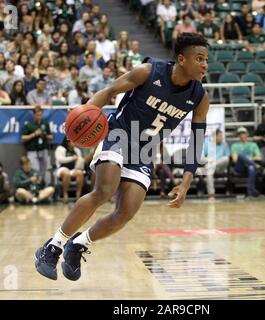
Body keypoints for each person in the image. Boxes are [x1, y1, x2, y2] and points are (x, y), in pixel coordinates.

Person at [35, 33, 209, 281]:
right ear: (182, 59)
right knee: (104, 190)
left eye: (206, 60)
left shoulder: (200, 97)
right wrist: (82, 119)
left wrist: (185, 182)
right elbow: (108, 91)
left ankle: (79, 244)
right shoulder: (148, 71)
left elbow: (197, 140)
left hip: (145, 150)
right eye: (199, 59)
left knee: (126, 212)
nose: (204, 64)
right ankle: (53, 247)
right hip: (120, 133)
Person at [22, 105, 53, 179]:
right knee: (35, 170)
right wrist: (34, 134)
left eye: (40, 115)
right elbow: (23, 138)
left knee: (44, 170)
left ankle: (43, 186)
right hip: (32, 151)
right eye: (37, 115)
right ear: (34, 115)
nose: (39, 117)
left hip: (43, 149)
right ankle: (36, 187)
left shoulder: (45, 123)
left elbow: (51, 137)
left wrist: (45, 134)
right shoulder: (29, 125)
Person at [231, 127, 261, 197]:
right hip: (239, 167)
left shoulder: (253, 145)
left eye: (243, 133)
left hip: (249, 167)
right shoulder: (235, 146)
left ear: (247, 134)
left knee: (251, 167)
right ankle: (255, 165)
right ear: (238, 136)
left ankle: (250, 191)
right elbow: (235, 159)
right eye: (240, 134)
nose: (242, 135)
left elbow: (259, 157)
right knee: (241, 155)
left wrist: (249, 159)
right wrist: (248, 159)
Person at [55, 137, 85, 204]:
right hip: (62, 168)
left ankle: (78, 196)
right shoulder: (60, 148)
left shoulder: (77, 150)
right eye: (72, 141)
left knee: (80, 173)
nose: (74, 143)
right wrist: (72, 158)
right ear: (67, 142)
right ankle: (65, 194)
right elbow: (60, 159)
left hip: (73, 169)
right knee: (66, 174)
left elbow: (80, 159)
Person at [203, 129, 230, 201]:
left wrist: (214, 161)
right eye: (220, 136)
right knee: (209, 171)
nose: (221, 138)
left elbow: (227, 157)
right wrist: (209, 160)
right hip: (211, 167)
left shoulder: (225, 145)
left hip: (220, 167)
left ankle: (211, 164)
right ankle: (211, 195)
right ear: (215, 136)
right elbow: (202, 157)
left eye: (222, 136)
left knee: (225, 158)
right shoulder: (207, 144)